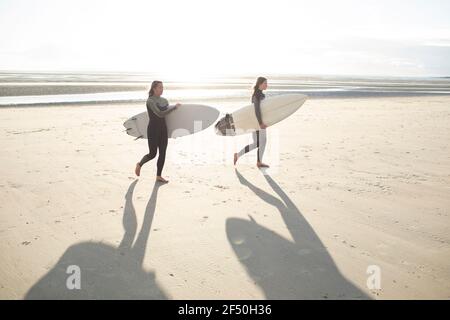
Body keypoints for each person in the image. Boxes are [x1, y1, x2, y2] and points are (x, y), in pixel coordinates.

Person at [135, 81, 180, 183]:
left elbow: (169, 117)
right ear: (154, 89)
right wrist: (174, 108)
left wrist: (175, 130)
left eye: (162, 87)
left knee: (163, 153)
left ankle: (158, 176)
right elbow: (160, 114)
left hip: (163, 129)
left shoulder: (164, 100)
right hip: (153, 129)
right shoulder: (150, 101)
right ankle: (139, 164)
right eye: (159, 87)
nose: (162, 89)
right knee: (152, 154)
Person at [234, 77, 270, 168]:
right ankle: (257, 161)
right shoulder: (256, 95)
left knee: (258, 143)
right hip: (257, 122)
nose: (267, 85)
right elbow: (256, 110)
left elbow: (263, 109)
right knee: (260, 142)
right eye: (265, 83)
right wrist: (261, 123)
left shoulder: (261, 94)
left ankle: (239, 155)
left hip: (258, 121)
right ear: (260, 84)